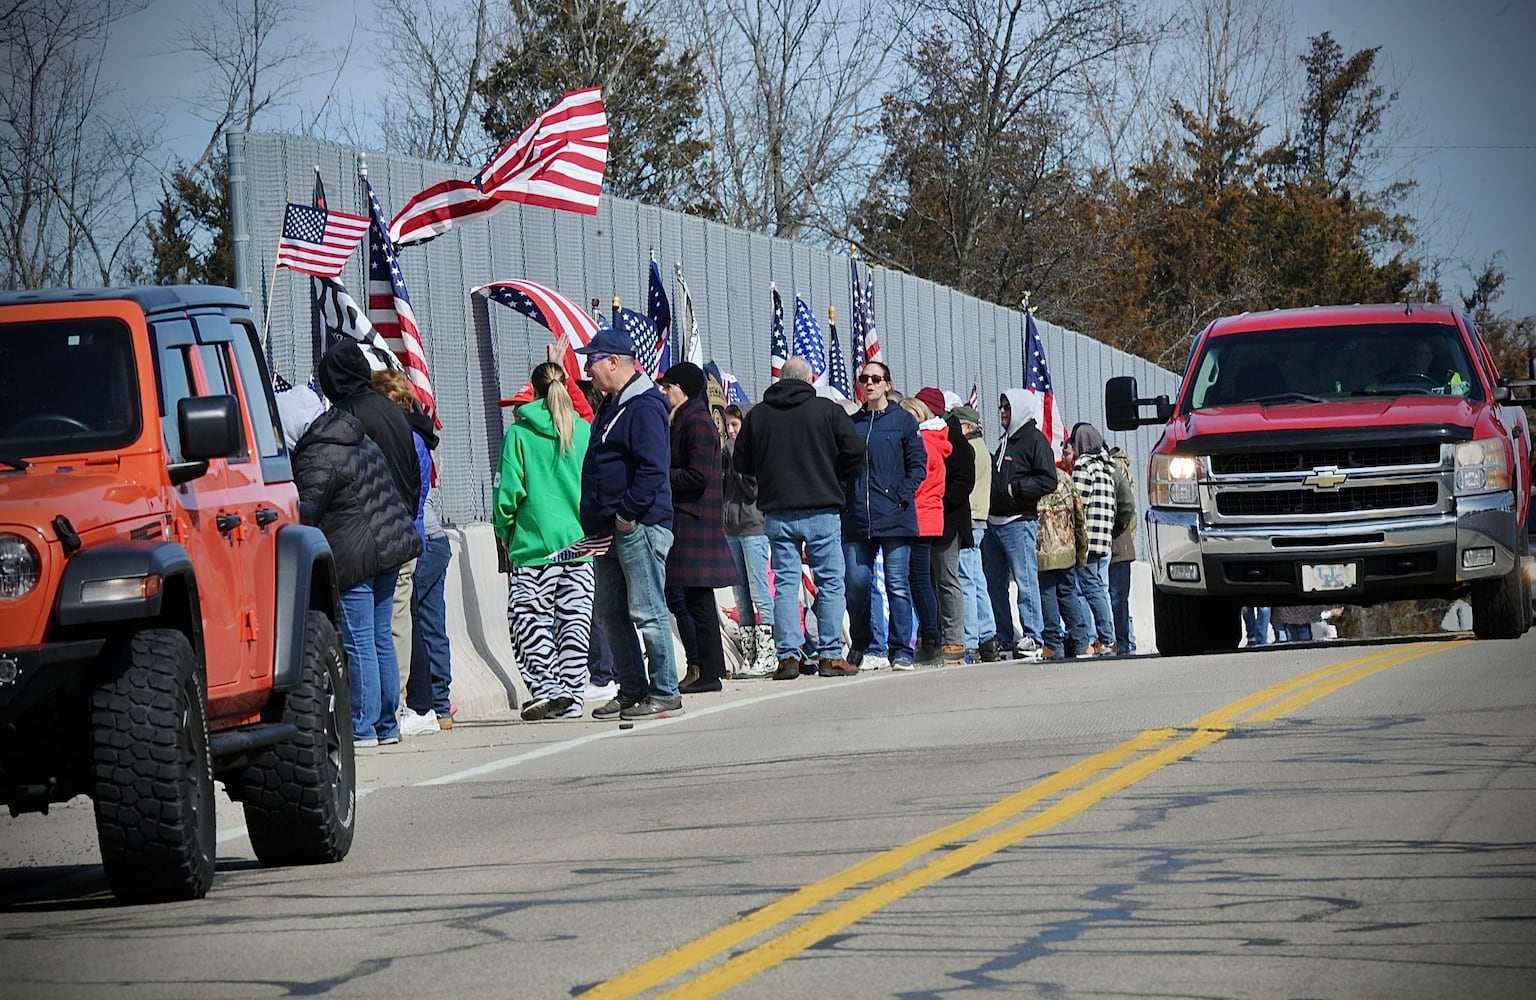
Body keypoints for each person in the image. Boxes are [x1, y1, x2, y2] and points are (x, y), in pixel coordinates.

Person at [284, 378, 420, 749]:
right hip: (390, 544)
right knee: (380, 636)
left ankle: (362, 724)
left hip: (354, 552)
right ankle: (387, 723)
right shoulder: (356, 436)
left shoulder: (316, 454)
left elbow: (303, 510)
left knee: (359, 640)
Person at [734, 356, 866, 680]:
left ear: (781, 379)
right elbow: (857, 450)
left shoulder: (759, 415)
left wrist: (768, 472)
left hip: (777, 510)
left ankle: (788, 657)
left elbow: (741, 461)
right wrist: (835, 474)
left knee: (786, 584)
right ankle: (831, 655)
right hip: (822, 507)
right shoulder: (827, 411)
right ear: (809, 380)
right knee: (831, 583)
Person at [577, 326, 681, 721]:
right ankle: (632, 687)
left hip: (638, 526)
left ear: (614, 362)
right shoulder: (611, 404)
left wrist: (626, 516)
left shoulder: (644, 405)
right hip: (606, 529)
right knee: (610, 609)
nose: (588, 368)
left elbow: (653, 469)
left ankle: (665, 690)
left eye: (593, 360)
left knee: (646, 608)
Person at [495, 362, 595, 720]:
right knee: (575, 621)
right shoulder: (582, 431)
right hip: (579, 543)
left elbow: (508, 494)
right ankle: (572, 692)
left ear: (534, 392)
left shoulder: (520, 435)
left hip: (536, 545)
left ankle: (548, 687)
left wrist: (506, 533)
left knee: (529, 620)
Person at [371, 368, 452, 735]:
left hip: (411, 537)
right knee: (424, 623)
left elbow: (410, 493)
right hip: (425, 537)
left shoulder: (401, 435)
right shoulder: (415, 433)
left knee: (406, 621)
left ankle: (415, 704)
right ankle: (434, 704)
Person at [656, 362, 736, 695]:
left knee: (696, 599)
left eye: (669, 385)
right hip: (688, 519)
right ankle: (704, 666)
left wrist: (662, 477)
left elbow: (699, 475)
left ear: (684, 388)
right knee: (689, 598)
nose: (664, 391)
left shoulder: (697, 421)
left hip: (693, 520)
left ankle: (707, 670)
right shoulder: (684, 418)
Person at [844, 361, 928, 671]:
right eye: (864, 378)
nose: (869, 383)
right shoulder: (853, 424)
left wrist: (900, 495)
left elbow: (918, 464)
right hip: (858, 518)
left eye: (876, 378)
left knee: (896, 584)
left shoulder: (904, 421)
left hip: (895, 516)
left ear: (887, 384)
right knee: (856, 583)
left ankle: (901, 649)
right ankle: (866, 645)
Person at [982, 388, 1057, 661]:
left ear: (1021, 409)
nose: (1002, 411)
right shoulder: (1004, 440)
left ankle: (1033, 637)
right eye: (1001, 407)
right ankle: (1005, 637)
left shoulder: (1035, 441)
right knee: (994, 584)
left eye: (1007, 408)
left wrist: (1017, 488)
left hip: (1018, 522)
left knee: (1025, 583)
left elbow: (1049, 480)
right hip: (993, 524)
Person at [915, 387, 975, 665]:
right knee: (924, 579)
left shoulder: (952, 436)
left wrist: (941, 499)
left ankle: (954, 639)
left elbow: (964, 480)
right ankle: (932, 635)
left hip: (948, 520)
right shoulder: (917, 436)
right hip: (923, 519)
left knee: (946, 578)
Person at [723, 402, 777, 678]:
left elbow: (753, 488)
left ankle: (769, 652)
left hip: (754, 527)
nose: (731, 431)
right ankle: (750, 653)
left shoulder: (756, 452)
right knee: (740, 596)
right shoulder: (727, 452)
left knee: (759, 593)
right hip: (731, 528)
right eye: (728, 425)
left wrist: (735, 454)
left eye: (736, 425)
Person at [899, 395, 951, 664]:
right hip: (928, 515)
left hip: (921, 515)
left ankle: (931, 635)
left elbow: (918, 481)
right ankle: (930, 632)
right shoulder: (934, 442)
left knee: (919, 579)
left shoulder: (923, 444)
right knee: (924, 579)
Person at [1035, 443, 1093, 660]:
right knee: (1068, 593)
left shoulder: (1035, 481)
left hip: (1043, 548)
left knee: (1048, 594)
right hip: (1066, 547)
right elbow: (1079, 515)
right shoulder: (1065, 479)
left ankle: (1052, 644)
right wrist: (1081, 550)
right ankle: (1081, 642)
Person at [954, 405, 1000, 662]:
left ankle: (970, 639)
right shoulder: (983, 448)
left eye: (958, 425)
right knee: (976, 578)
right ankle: (987, 635)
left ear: (969, 427)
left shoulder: (970, 449)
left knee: (966, 579)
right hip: (980, 517)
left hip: (970, 517)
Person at [1068, 423, 1119, 656]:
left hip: (1087, 539)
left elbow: (1076, 505)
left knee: (1090, 589)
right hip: (1104, 538)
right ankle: (1104, 637)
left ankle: (1105, 638)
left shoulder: (1083, 466)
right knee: (1099, 588)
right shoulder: (1106, 468)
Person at [1107, 441, 1138, 655]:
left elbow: (1127, 504)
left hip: (1119, 542)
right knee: (1116, 597)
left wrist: (1117, 526)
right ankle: (1125, 641)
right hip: (1120, 541)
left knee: (1118, 596)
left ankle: (1125, 642)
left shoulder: (1115, 470)